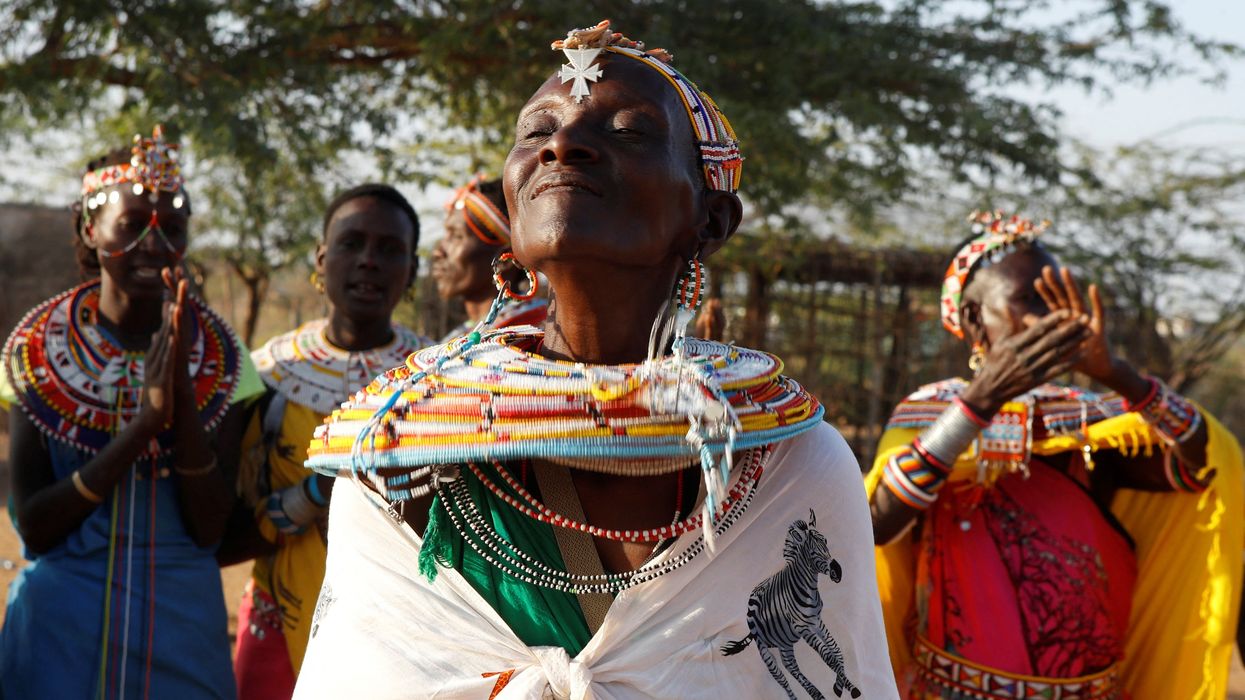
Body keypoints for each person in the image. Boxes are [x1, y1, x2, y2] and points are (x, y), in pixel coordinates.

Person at [293, 20, 897, 699]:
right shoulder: (402, 459)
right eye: (534, 132)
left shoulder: (790, 464)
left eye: (629, 132)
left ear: (710, 220)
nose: (561, 145)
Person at [865, 211, 1244, 698]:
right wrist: (981, 402)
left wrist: (1118, 375)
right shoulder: (930, 413)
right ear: (974, 319)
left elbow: (1200, 466)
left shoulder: (1096, 420)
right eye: (1026, 300)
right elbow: (876, 523)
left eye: (1054, 299)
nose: (1047, 316)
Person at [0, 126, 262, 699]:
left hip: (181, 629)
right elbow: (35, 528)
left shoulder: (224, 361)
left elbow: (211, 527)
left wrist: (182, 410)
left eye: (171, 228)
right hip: (58, 628)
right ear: (91, 231)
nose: (153, 242)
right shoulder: (35, 354)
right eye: (131, 225)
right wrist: (144, 425)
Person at [224, 184, 430, 699]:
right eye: (351, 244)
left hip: (401, 632)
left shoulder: (440, 378)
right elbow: (220, 530)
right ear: (321, 258)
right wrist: (308, 500)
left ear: (411, 271)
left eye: (389, 250)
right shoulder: (267, 373)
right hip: (278, 614)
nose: (368, 261)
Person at [431, 174, 548, 342]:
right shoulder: (458, 337)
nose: (438, 252)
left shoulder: (536, 335)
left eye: (456, 236)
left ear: (505, 259)